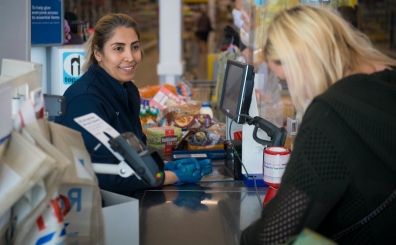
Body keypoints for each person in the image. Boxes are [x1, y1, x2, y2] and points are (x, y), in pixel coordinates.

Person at [241, 4, 396, 245]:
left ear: (302, 63)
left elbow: (270, 237)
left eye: (286, 80)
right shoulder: (389, 78)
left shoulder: (329, 116)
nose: (293, 92)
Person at [55, 13, 210, 196]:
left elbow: (137, 152)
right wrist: (172, 176)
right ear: (98, 53)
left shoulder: (128, 90)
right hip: (100, 209)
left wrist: (164, 165)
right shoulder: (85, 100)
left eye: (134, 47)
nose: (130, 57)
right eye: (118, 49)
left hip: (129, 200)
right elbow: (104, 174)